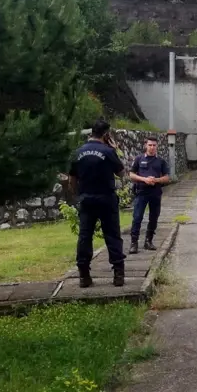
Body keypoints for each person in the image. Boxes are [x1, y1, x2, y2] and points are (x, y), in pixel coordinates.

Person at [68, 120, 126, 288]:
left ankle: (84, 275)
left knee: (85, 236)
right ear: (106, 134)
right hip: (106, 199)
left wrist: (77, 194)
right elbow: (122, 173)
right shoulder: (108, 151)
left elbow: (72, 178)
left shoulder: (78, 152)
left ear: (91, 133)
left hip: (86, 199)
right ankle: (118, 275)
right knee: (113, 236)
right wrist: (114, 149)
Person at [129, 136, 170, 254]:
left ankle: (148, 241)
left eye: (154, 145)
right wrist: (144, 179)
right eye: (150, 145)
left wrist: (156, 180)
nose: (152, 147)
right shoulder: (138, 159)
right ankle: (134, 243)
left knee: (154, 218)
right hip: (141, 192)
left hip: (155, 193)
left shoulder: (161, 161)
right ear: (146, 145)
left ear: (157, 146)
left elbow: (167, 178)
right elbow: (131, 174)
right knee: (137, 217)